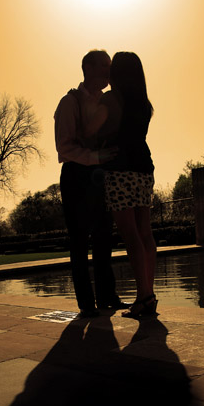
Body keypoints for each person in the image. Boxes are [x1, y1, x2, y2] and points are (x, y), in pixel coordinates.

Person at [54, 50, 129, 317]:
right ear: (87, 68)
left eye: (109, 66)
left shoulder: (108, 102)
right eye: (103, 66)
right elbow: (63, 148)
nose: (108, 72)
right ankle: (86, 303)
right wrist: (95, 156)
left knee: (103, 239)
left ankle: (107, 297)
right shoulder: (69, 102)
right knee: (79, 241)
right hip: (76, 176)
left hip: (100, 177)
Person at [91, 51, 157, 319]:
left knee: (130, 235)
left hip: (120, 169)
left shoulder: (111, 99)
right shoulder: (144, 103)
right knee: (145, 232)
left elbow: (95, 132)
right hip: (144, 167)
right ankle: (148, 295)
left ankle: (143, 298)